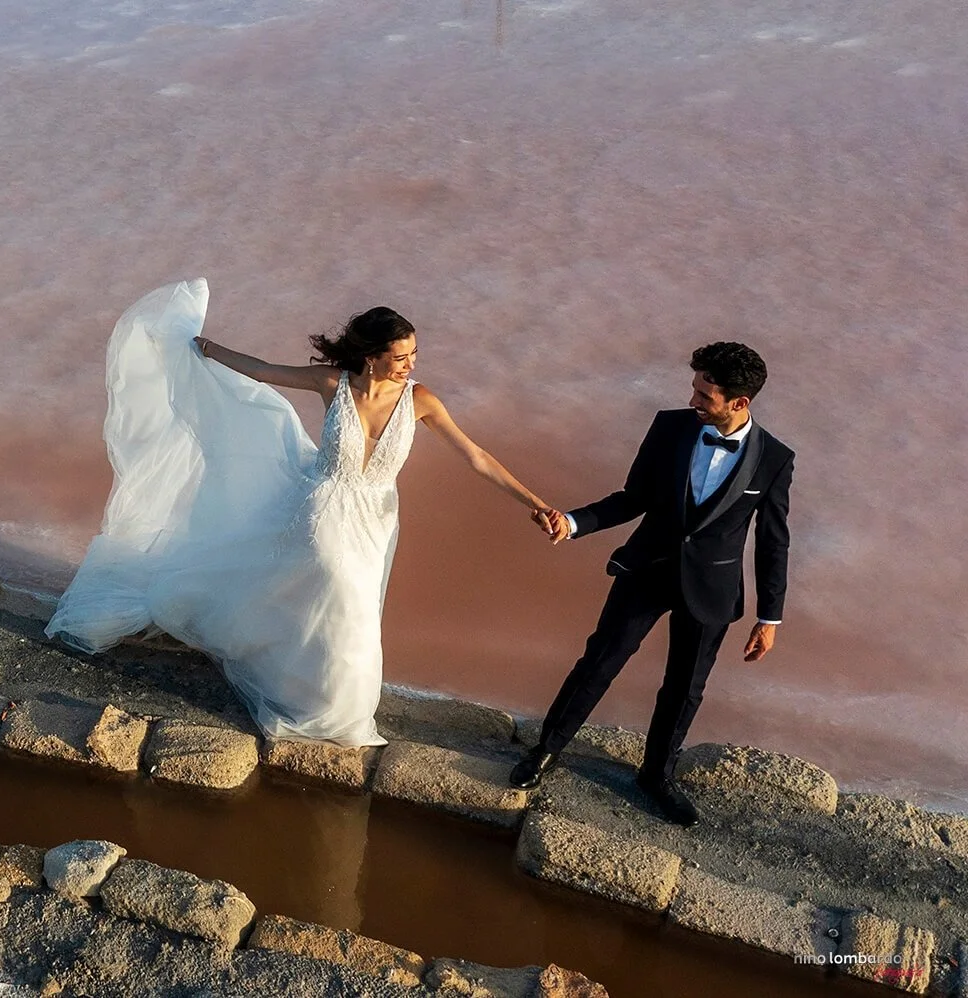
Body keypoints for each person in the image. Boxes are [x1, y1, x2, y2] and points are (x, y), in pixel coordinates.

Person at [46, 279, 553, 748]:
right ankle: (341, 714)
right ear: (371, 357)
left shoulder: (420, 401)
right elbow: (263, 372)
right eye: (400, 356)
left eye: (415, 354)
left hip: (377, 517)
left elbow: (475, 456)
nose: (411, 364)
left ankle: (315, 694)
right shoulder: (332, 385)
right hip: (324, 507)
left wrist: (535, 502)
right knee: (344, 591)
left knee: (338, 607)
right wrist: (206, 349)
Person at [509, 341, 793, 828]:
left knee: (685, 688)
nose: (693, 400)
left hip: (712, 588)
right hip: (646, 570)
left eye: (705, 394)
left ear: (739, 403)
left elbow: (773, 541)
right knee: (599, 661)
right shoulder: (669, 428)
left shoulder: (775, 459)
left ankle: (656, 776)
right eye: (694, 388)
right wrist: (573, 523)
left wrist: (770, 617)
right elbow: (631, 497)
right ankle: (546, 749)